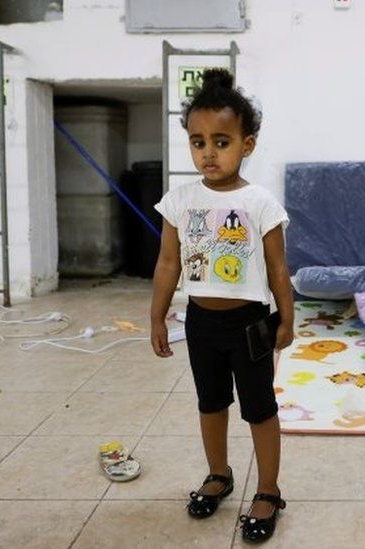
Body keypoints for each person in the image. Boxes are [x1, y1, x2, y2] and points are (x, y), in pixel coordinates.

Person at [150, 68, 293, 544]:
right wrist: (156, 315)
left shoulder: (260, 202)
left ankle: (268, 490)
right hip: (201, 322)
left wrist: (287, 320)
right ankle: (219, 473)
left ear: (246, 144)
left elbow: (277, 269)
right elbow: (169, 263)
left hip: (250, 323)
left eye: (221, 141)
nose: (208, 152)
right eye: (198, 141)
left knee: (259, 407)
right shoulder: (180, 199)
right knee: (210, 403)